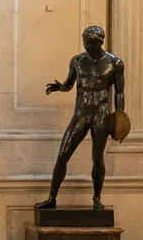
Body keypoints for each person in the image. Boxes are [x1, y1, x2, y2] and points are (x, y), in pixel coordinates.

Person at [41, 25, 126, 211]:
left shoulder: (115, 63)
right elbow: (69, 84)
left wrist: (119, 117)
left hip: (101, 114)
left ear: (100, 42)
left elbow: (119, 92)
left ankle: (97, 198)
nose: (87, 46)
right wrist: (60, 87)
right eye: (85, 42)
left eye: (91, 43)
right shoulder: (78, 61)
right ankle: (52, 198)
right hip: (81, 113)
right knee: (63, 154)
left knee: (97, 158)